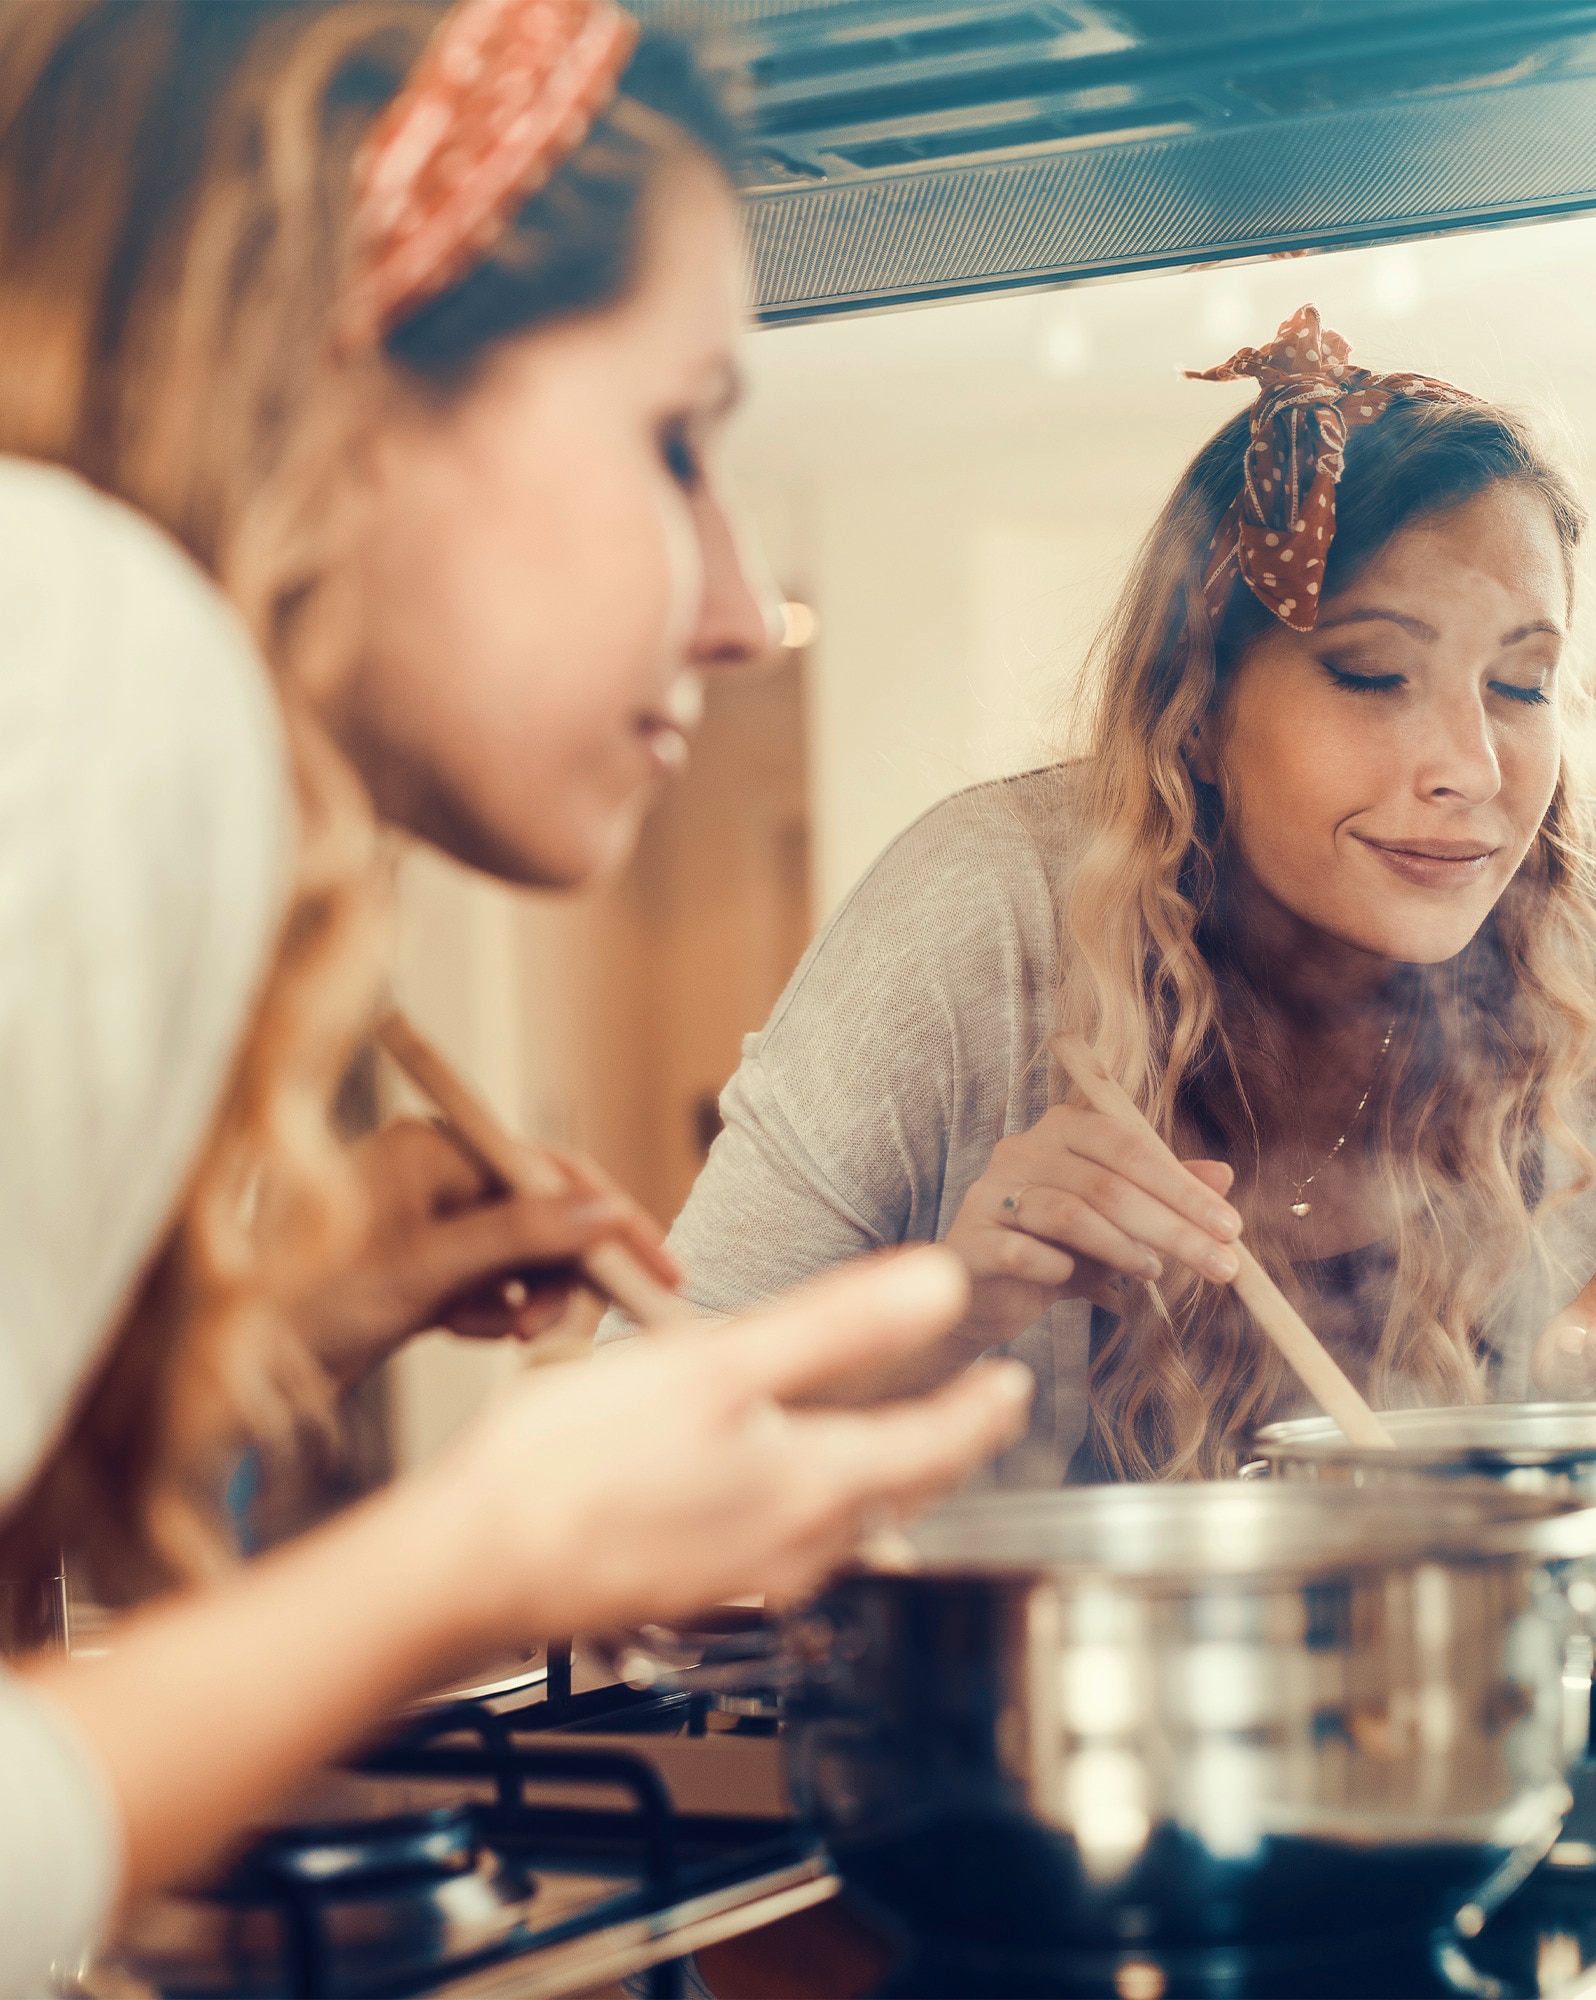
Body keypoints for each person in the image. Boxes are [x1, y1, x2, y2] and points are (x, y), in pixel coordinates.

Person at [0, 6, 1032, 1990]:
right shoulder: (94, 668)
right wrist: (480, 1554)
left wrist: (277, 1327)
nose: (736, 606)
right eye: (675, 439)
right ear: (340, 351)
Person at [659, 306, 1596, 1486]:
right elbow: (653, 1419)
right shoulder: (984, 909)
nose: (1472, 764)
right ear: (1195, 704)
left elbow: (1580, 1554)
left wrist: (1571, 1418)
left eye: (1521, 682)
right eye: (1372, 673)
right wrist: (957, 1307)